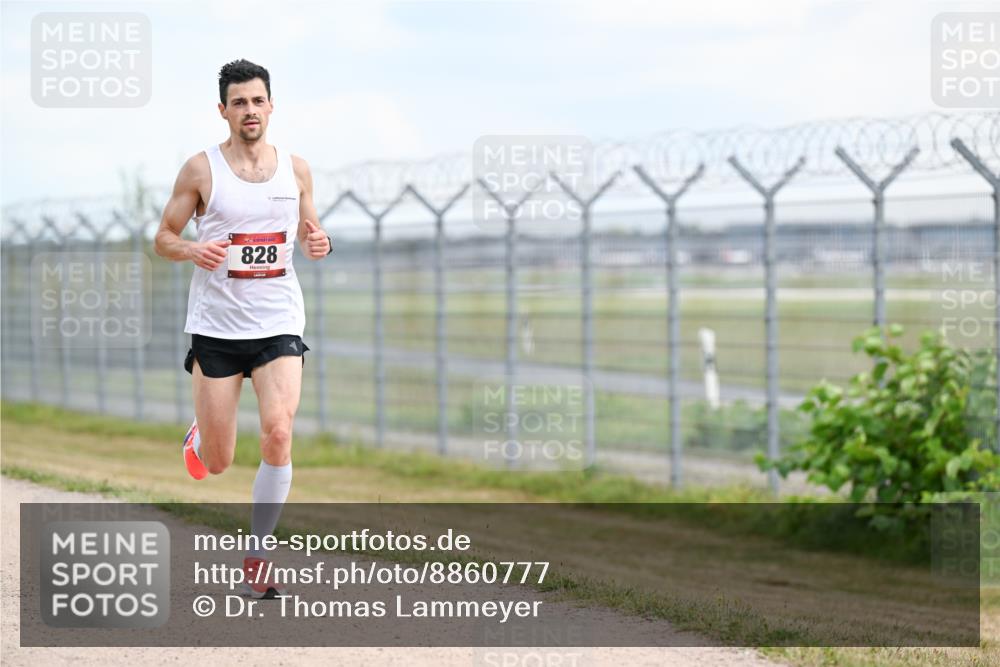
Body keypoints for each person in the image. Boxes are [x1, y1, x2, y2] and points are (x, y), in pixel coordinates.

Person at [153, 59, 331, 598]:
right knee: (219, 461)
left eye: (258, 101)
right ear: (223, 110)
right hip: (217, 326)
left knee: (279, 431)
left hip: (278, 319)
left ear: (271, 105)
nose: (249, 111)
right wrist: (191, 248)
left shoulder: (295, 169)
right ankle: (200, 435)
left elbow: (309, 229)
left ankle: (258, 552)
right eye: (239, 103)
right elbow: (163, 236)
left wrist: (317, 241)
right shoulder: (201, 170)